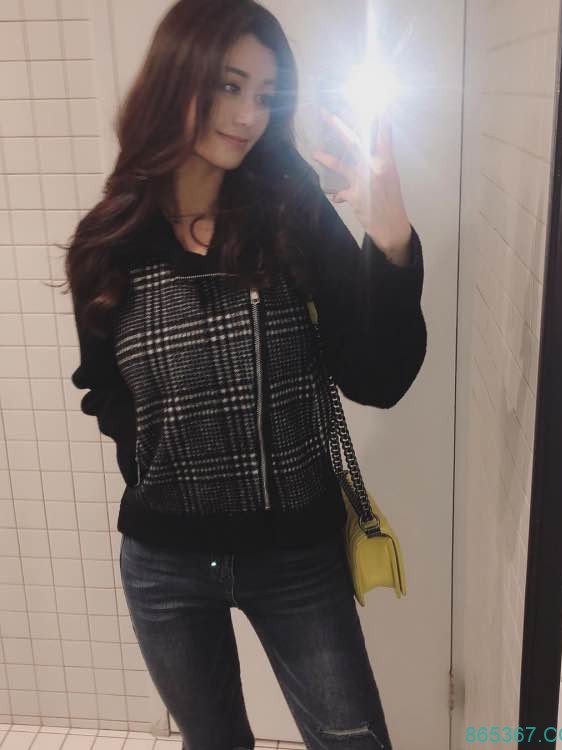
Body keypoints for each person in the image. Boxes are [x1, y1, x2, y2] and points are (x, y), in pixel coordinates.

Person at [65, 1, 427, 748]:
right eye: (229, 86)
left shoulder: (290, 215)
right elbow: (103, 389)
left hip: (296, 555)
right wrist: (154, 462)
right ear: (177, 78)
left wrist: (390, 239)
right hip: (165, 564)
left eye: (265, 95)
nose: (247, 116)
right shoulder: (107, 245)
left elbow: (377, 377)